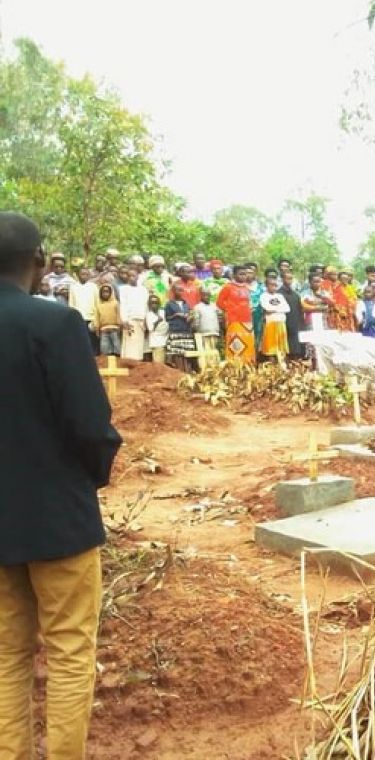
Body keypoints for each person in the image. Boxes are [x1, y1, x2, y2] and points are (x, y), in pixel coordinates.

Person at [0, 213, 122, 760]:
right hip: (59, 520)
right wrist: (92, 477)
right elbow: (91, 425)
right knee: (71, 650)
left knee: (6, 655)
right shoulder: (54, 324)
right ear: (41, 263)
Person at [216, 266, 256, 364]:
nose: (243, 276)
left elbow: (249, 303)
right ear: (234, 275)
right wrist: (230, 310)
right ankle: (234, 367)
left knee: (248, 344)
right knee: (236, 344)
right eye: (241, 274)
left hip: (247, 321)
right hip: (234, 321)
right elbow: (219, 302)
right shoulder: (228, 287)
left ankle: (248, 366)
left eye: (245, 274)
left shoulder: (247, 288)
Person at [119, 268, 150, 362]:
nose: (131, 278)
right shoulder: (123, 289)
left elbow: (146, 305)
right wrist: (124, 320)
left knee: (139, 343)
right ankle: (128, 362)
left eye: (133, 276)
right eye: (129, 276)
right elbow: (123, 304)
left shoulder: (143, 289)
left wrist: (146, 320)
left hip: (141, 319)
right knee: (129, 343)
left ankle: (138, 363)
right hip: (130, 319)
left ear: (138, 277)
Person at [68, 267, 100, 354]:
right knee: (79, 339)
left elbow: (97, 303)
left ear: (89, 276)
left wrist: (96, 318)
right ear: (78, 275)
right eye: (82, 274)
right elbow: (71, 303)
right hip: (78, 317)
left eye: (86, 274)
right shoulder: (73, 287)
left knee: (91, 340)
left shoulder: (93, 287)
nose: (84, 276)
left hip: (91, 318)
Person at [164, 283, 195, 372]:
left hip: (186, 330)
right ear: (173, 291)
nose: (180, 292)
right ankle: (178, 372)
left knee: (186, 353)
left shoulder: (186, 304)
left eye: (182, 290)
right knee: (177, 354)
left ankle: (187, 372)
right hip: (175, 330)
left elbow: (189, 315)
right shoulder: (169, 304)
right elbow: (166, 318)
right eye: (178, 290)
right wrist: (176, 315)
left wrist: (190, 317)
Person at [259, 275, 291, 360]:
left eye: (275, 285)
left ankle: (281, 365)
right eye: (271, 285)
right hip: (270, 324)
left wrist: (274, 310)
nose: (274, 287)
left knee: (281, 347)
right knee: (271, 348)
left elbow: (287, 309)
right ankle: (272, 367)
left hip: (281, 323)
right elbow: (267, 309)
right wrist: (279, 309)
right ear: (267, 285)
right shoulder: (263, 296)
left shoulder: (280, 296)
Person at [279, 270, 306, 359]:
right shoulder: (279, 294)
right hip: (284, 324)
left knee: (295, 347)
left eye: (291, 279)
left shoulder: (296, 295)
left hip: (295, 323)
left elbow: (300, 310)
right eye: (287, 278)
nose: (289, 281)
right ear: (282, 279)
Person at [92, 284, 122, 357]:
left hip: (114, 329)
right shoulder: (99, 305)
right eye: (103, 292)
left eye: (107, 292)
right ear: (100, 293)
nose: (105, 293)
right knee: (104, 348)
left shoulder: (115, 303)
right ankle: (106, 365)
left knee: (116, 348)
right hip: (103, 330)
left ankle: (117, 364)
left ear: (111, 293)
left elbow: (118, 315)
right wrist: (97, 329)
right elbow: (97, 317)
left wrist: (119, 327)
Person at [192, 290, 223, 360]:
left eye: (208, 295)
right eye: (205, 295)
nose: (207, 297)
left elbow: (220, 317)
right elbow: (196, 321)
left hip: (215, 333)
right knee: (206, 353)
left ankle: (215, 368)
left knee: (215, 352)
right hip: (203, 334)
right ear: (201, 296)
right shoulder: (197, 307)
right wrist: (196, 331)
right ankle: (206, 368)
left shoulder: (214, 306)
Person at [145, 294, 168, 364]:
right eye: (152, 303)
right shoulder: (149, 315)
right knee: (158, 363)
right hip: (156, 342)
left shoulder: (162, 312)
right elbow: (150, 329)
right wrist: (158, 321)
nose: (154, 305)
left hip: (165, 339)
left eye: (156, 303)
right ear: (149, 304)